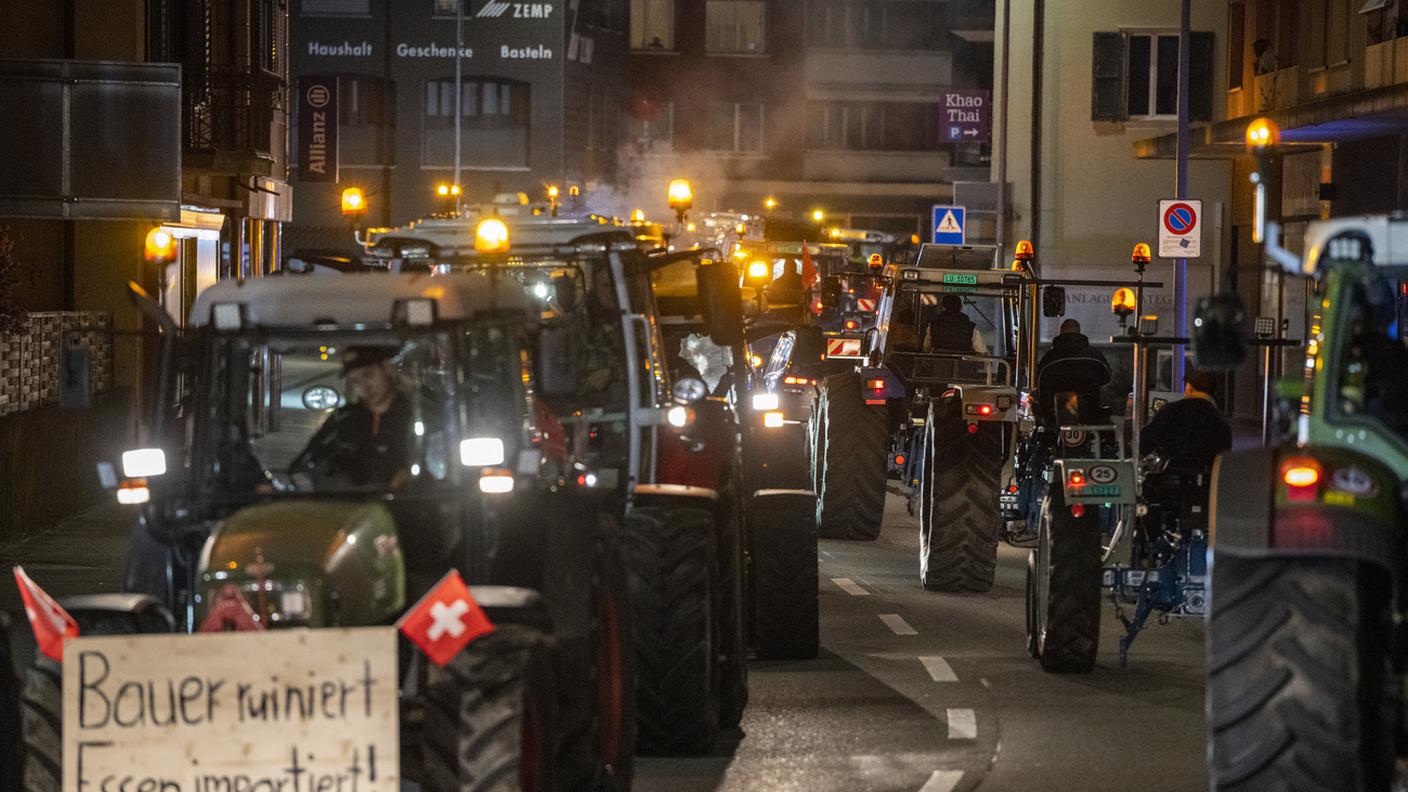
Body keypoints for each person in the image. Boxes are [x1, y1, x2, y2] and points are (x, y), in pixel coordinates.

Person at [291, 347, 413, 489]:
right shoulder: (343, 419)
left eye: (368, 375)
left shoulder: (416, 413)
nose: (364, 387)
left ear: (387, 369)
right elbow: (300, 467)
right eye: (356, 381)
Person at [1140, 368, 1232, 465]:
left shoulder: (1170, 411)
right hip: (1205, 477)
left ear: (1189, 388)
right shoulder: (1221, 423)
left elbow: (1144, 443)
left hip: (1169, 476)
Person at [1034, 319, 1111, 423]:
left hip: (1056, 414)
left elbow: (1040, 383)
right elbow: (1107, 377)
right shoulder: (1094, 355)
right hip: (1089, 412)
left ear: (1061, 333)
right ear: (1079, 332)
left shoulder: (1049, 358)